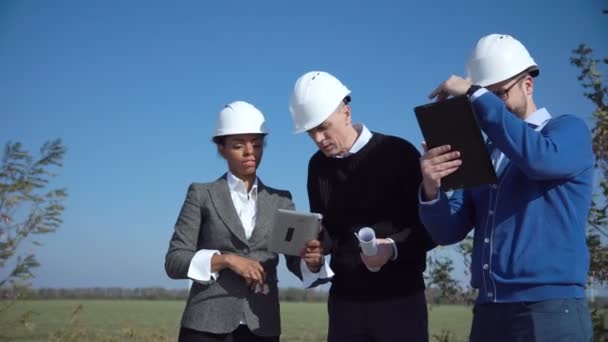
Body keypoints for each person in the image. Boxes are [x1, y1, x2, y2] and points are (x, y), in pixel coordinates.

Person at [418, 33, 594, 341]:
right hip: (489, 309)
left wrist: (474, 94)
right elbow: (449, 230)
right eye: (482, 97)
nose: (486, 106)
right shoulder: (483, 152)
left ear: (528, 84)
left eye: (498, 93)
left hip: (549, 309)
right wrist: (432, 188)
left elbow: (537, 159)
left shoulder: (568, 131)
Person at [288, 71, 436, 342]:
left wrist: (391, 249)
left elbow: (431, 228)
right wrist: (316, 251)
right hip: (345, 306)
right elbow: (329, 233)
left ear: (346, 112)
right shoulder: (317, 167)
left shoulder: (399, 153)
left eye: (324, 127)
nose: (319, 139)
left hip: (400, 302)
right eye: (311, 132)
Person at [164, 101, 321, 342]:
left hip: (262, 323)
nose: (250, 152)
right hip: (205, 324)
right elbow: (175, 261)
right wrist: (226, 260)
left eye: (257, 145)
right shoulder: (201, 194)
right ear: (222, 148)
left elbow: (294, 258)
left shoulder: (281, 200)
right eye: (238, 145)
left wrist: (311, 262)